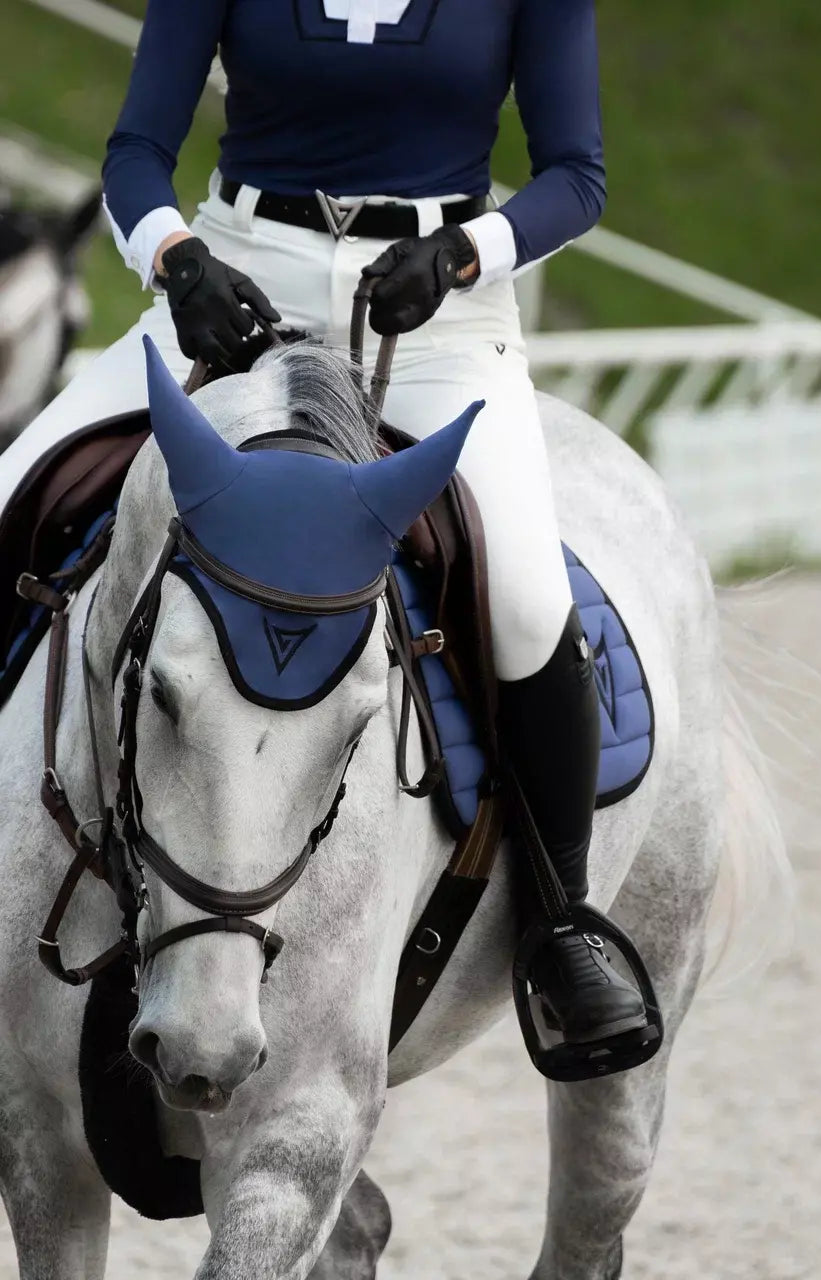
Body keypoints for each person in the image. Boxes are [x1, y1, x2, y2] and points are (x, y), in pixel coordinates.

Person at [6, 0, 648, 1053]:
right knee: (11, 488)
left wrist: (461, 255)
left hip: (440, 312)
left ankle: (560, 921)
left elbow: (576, 175)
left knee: (530, 598)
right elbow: (134, 153)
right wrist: (174, 260)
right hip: (237, 275)